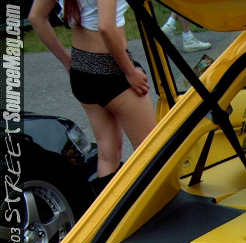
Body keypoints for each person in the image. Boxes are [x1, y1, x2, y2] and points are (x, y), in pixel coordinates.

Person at [29, 0, 156, 195]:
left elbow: (36, 17)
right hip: (112, 69)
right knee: (151, 151)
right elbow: (106, 27)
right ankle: (151, 208)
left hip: (81, 68)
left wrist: (68, 61)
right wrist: (130, 71)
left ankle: (111, 210)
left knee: (107, 156)